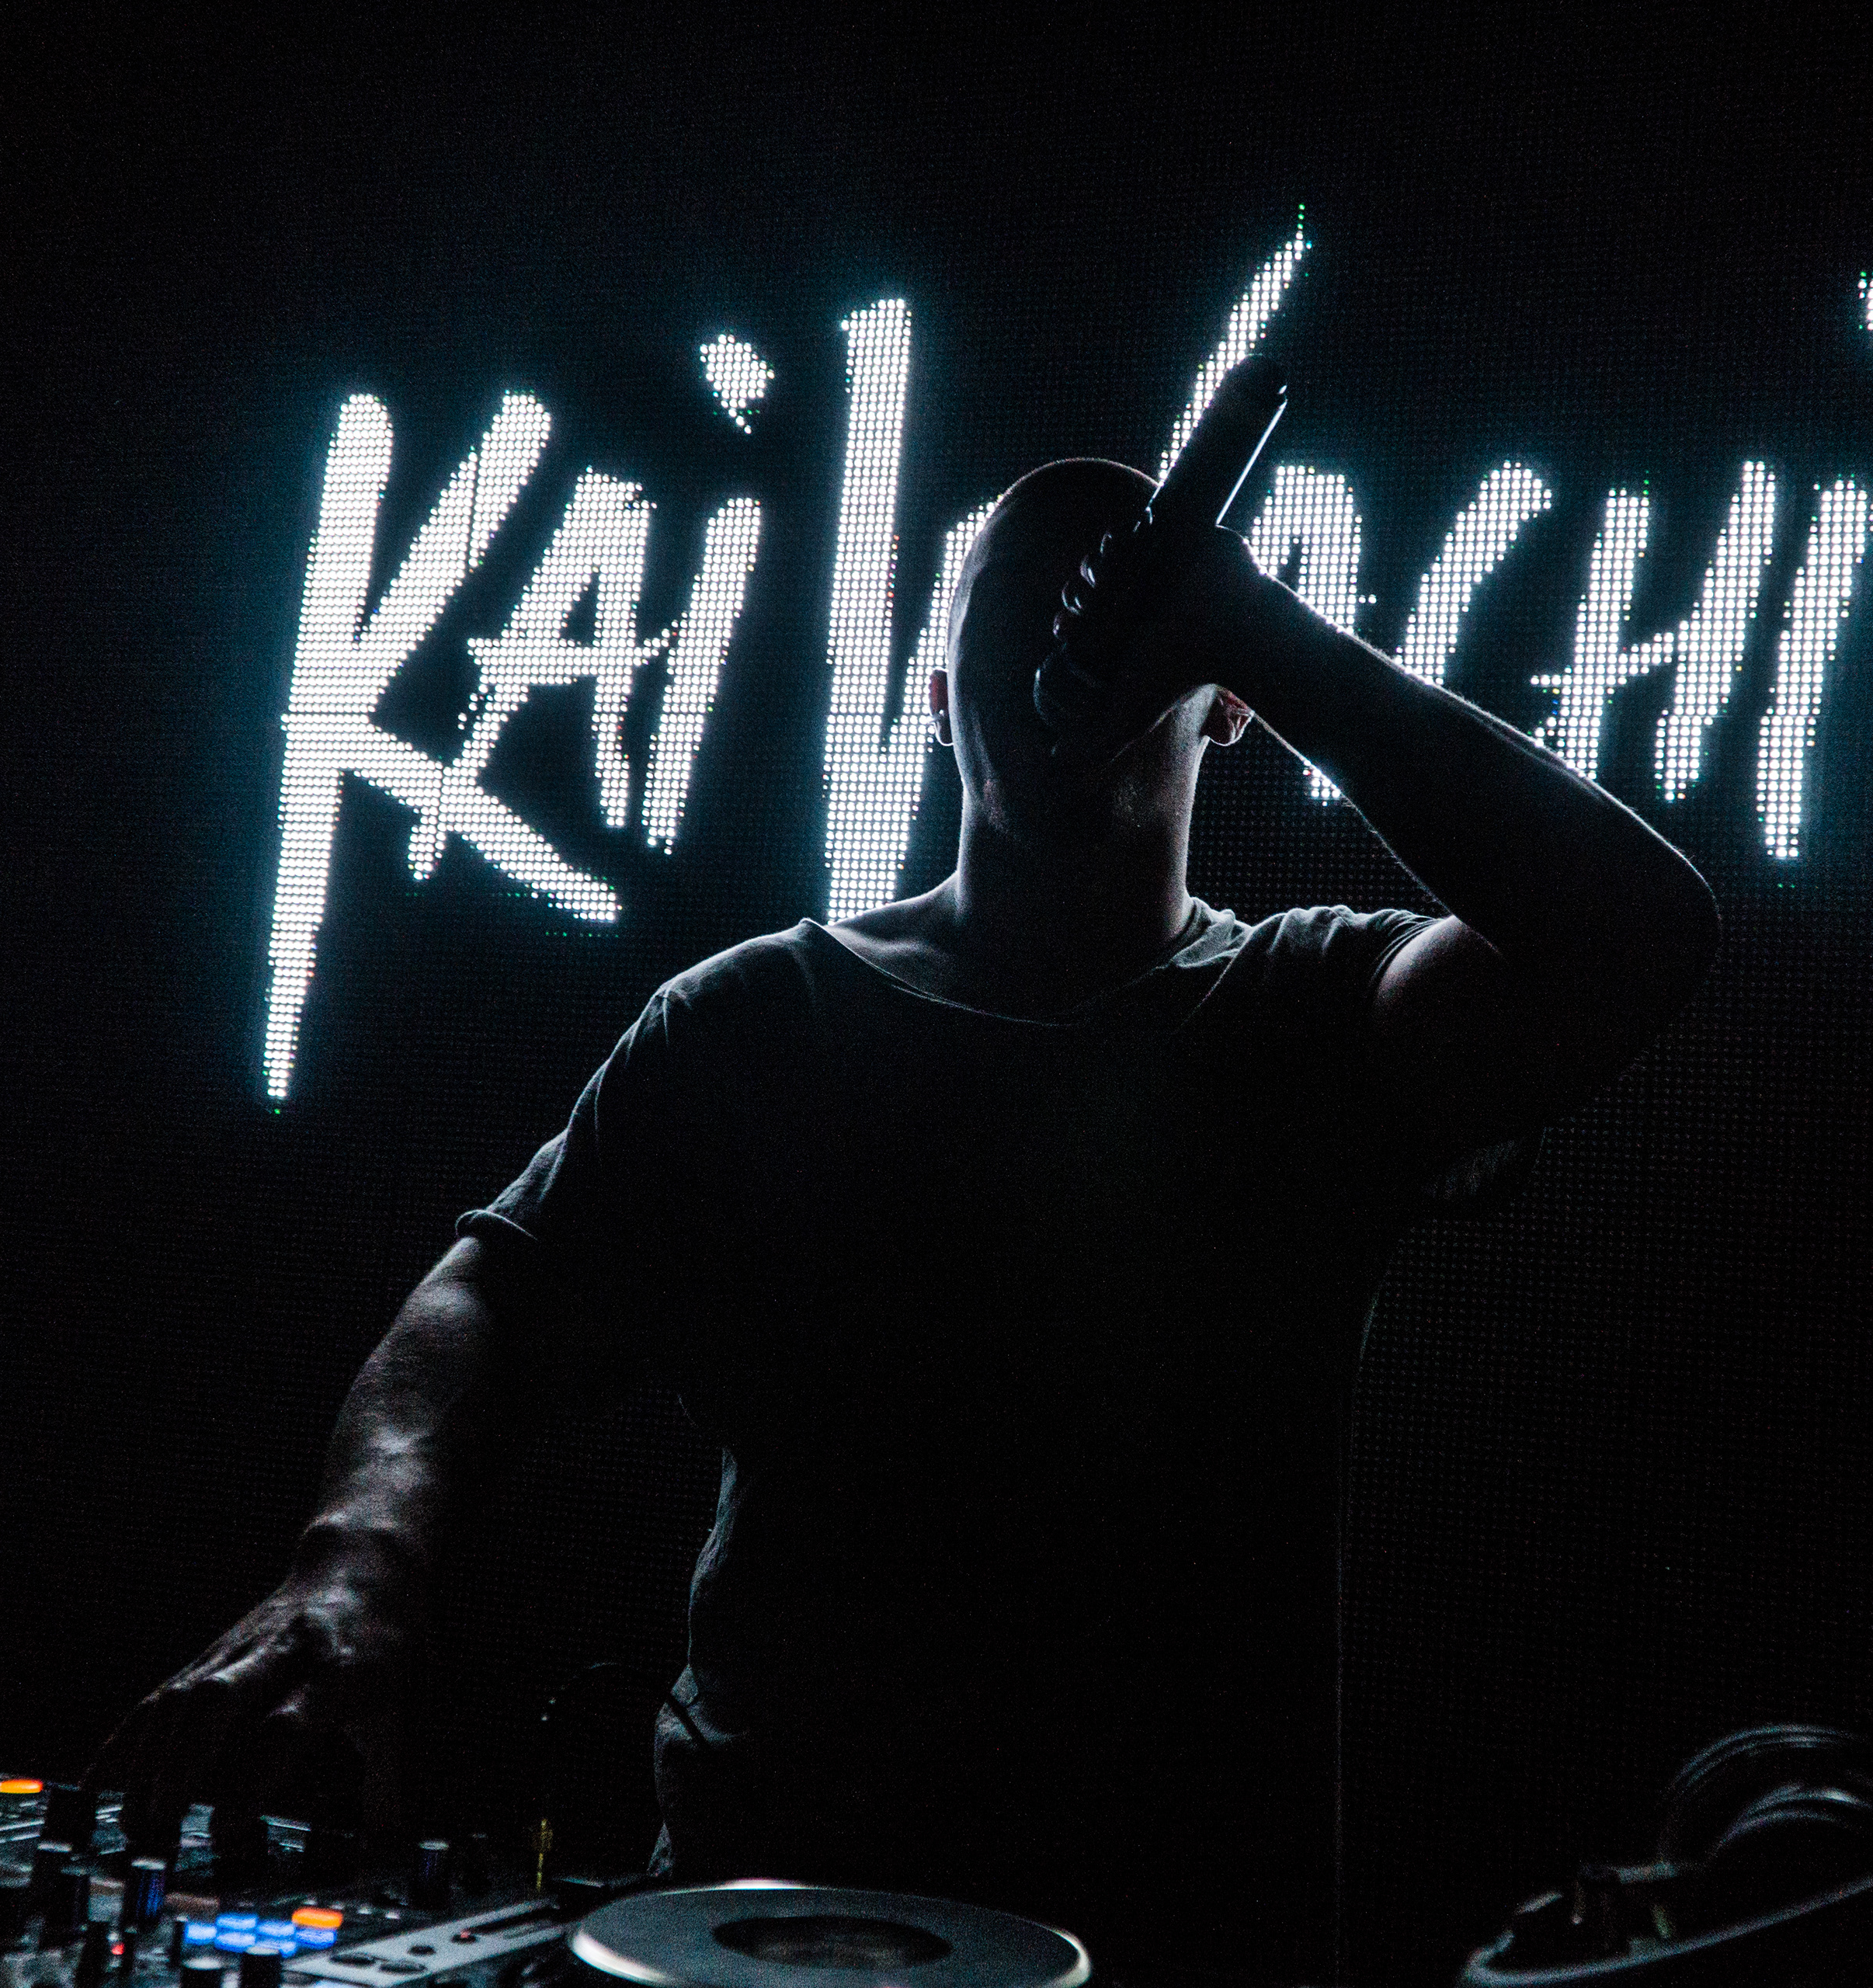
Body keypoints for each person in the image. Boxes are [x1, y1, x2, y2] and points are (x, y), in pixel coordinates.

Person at [92, 457, 1718, 1983]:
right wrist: (356, 1561)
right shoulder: (757, 1024)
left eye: (1126, 612)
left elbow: (1636, 932)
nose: (1070, 654)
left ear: (1228, 700)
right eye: (1021, 615)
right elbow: (490, 1299)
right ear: (935, 688)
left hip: (1181, 1945)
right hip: (748, 1930)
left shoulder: (1315, 1016)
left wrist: (1263, 628)